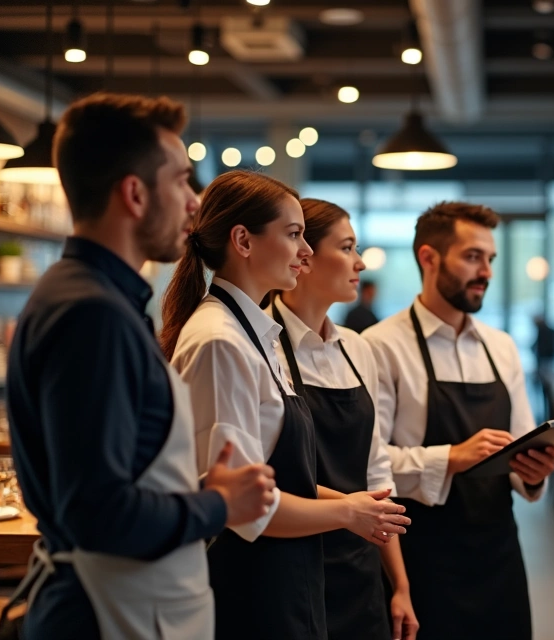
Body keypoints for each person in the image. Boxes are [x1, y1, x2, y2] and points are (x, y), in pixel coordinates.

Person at [4, 93, 276, 639]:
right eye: (181, 181)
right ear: (133, 194)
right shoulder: (91, 314)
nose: (196, 202)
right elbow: (98, 512)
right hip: (104, 615)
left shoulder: (96, 299)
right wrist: (216, 504)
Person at [159, 171, 410, 640]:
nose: (306, 251)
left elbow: (279, 474)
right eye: (294, 235)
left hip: (287, 575)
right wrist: (346, 512)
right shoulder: (220, 341)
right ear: (243, 241)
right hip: (248, 586)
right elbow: (239, 505)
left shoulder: (255, 335)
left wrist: (356, 504)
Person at [363, 202, 554, 640]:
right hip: (421, 556)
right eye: (473, 257)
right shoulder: (379, 346)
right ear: (429, 258)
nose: (487, 271)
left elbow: (521, 446)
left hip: (498, 552)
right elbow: (367, 466)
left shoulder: (502, 346)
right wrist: (450, 458)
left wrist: (532, 474)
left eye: (490, 259)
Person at [270, 199, 419, 640]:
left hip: (360, 564)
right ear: (304, 256)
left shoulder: (357, 349)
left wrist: (401, 585)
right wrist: (349, 508)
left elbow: (377, 474)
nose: (358, 262)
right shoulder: (264, 347)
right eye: (348, 247)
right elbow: (264, 476)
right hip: (292, 561)